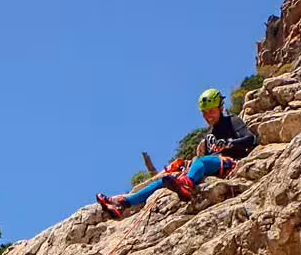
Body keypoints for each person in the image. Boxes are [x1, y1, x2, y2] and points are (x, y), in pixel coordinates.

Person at [96, 88, 258, 220]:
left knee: (201, 162)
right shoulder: (210, 134)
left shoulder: (231, 121)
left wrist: (230, 143)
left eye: (211, 111)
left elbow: (250, 139)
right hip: (212, 166)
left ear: (221, 108)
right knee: (164, 181)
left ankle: (187, 183)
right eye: (204, 112)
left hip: (229, 162)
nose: (208, 116)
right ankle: (124, 202)